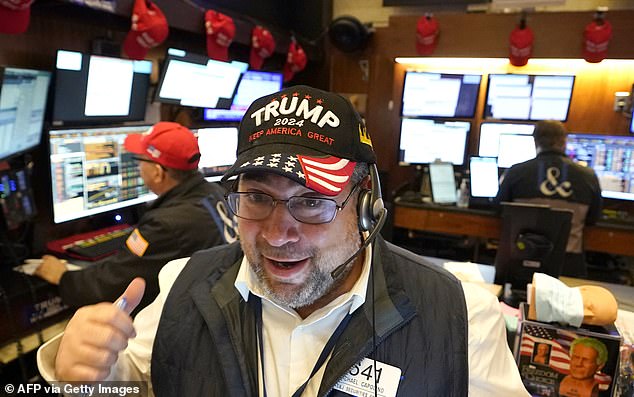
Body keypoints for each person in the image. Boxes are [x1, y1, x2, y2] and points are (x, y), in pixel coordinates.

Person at [37, 86, 529, 396]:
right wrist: (78, 372)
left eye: (311, 201)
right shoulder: (181, 284)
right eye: (257, 197)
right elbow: (121, 383)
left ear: (365, 207)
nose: (277, 233)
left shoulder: (458, 315)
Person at [34, 122, 231, 313]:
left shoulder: (167, 224)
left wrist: (64, 277)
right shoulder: (214, 192)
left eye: (139, 160)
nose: (137, 167)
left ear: (157, 172)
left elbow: (114, 282)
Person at [494, 120, 602, 277]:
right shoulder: (588, 176)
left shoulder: (516, 172)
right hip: (567, 265)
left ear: (535, 141)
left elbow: (499, 210)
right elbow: (593, 219)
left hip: (520, 259)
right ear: (564, 142)